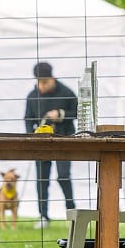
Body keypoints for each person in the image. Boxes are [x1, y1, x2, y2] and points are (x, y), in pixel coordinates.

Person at [24, 61, 78, 226]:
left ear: (53, 78)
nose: (41, 86)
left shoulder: (66, 92)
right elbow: (28, 119)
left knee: (63, 176)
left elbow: (78, 111)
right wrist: (31, 138)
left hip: (64, 141)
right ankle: (43, 216)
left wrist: (61, 114)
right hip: (42, 144)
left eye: (45, 82)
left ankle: (72, 212)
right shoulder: (33, 96)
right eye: (39, 82)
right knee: (42, 179)